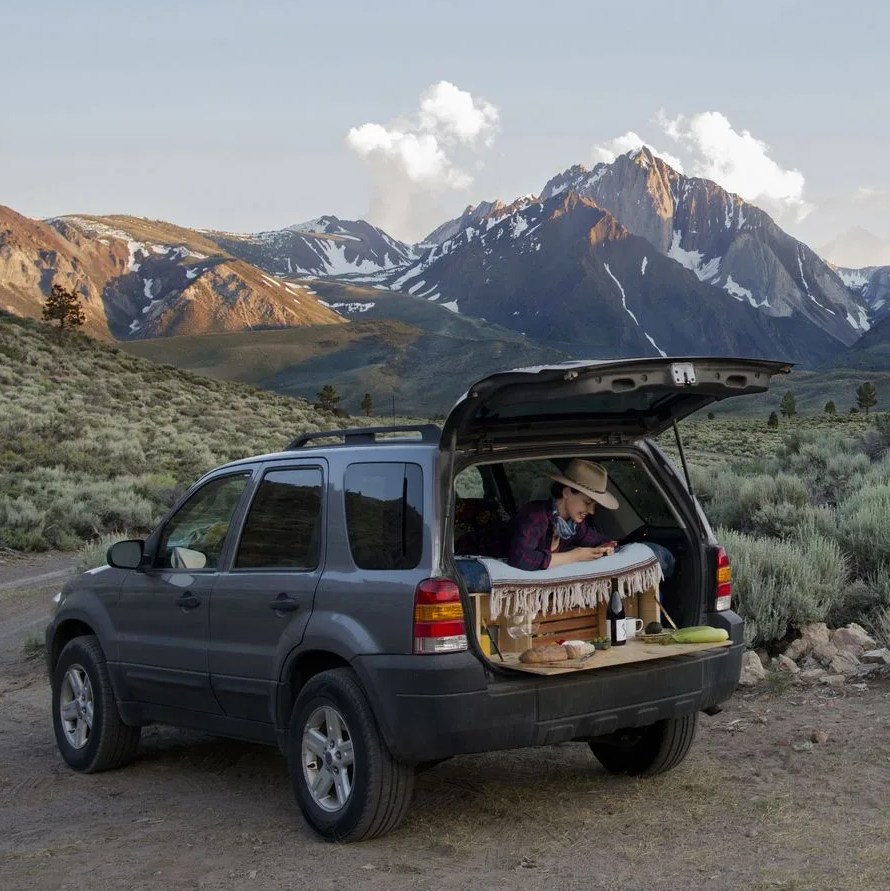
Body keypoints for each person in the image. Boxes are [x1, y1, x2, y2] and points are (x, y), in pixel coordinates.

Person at [506, 459, 619, 571]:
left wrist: (605, 548)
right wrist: (574, 556)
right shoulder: (535, 516)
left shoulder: (574, 525)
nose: (591, 511)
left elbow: (601, 541)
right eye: (587, 503)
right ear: (566, 492)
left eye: (594, 505)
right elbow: (520, 558)